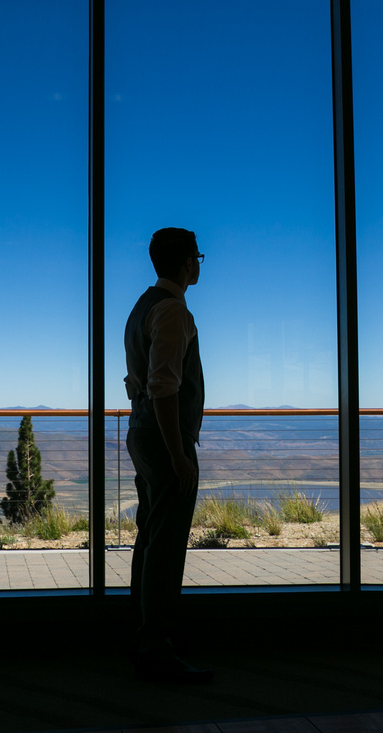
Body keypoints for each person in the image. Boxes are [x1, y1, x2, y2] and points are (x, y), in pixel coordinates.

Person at [123, 227, 212, 684]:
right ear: (185, 262)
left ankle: (145, 636)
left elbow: (139, 380)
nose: (200, 263)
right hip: (164, 439)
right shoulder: (174, 311)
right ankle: (157, 648)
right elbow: (164, 387)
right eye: (197, 256)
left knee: (150, 538)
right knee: (166, 546)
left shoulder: (141, 307)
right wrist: (179, 455)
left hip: (141, 433)